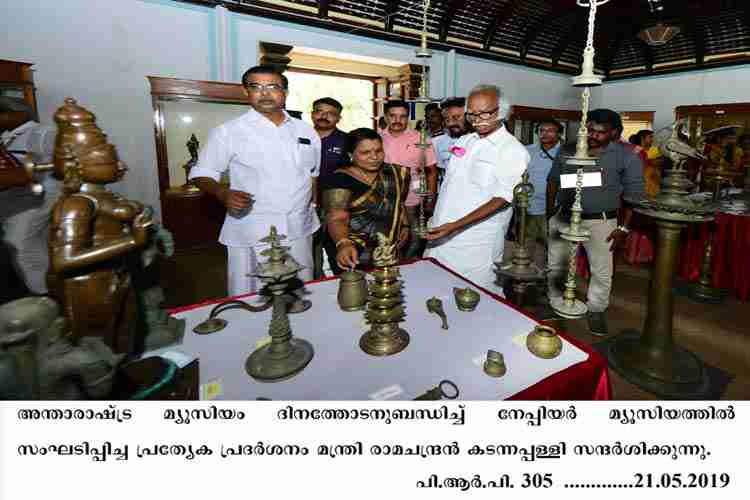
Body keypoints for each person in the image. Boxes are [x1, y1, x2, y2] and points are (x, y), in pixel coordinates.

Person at [190, 65, 321, 296]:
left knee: (300, 290)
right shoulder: (228, 132)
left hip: (298, 226)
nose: (265, 93)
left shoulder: (306, 131)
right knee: (253, 293)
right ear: (246, 92)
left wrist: (312, 206)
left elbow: (313, 175)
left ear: (285, 92)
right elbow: (202, 173)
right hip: (252, 227)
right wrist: (223, 193)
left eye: (272, 86)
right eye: (256, 87)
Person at [545, 109, 645, 335]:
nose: (592, 135)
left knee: (601, 270)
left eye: (600, 132)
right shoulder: (569, 148)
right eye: (589, 129)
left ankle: (596, 309)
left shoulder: (627, 156)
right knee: (556, 264)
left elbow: (634, 196)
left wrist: (623, 228)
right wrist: (550, 213)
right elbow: (552, 181)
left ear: (615, 133)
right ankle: (554, 301)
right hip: (563, 216)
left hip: (601, 222)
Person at [424, 84, 529, 293]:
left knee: (474, 296)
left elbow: (503, 198)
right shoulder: (466, 139)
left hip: (475, 241)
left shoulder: (512, 150)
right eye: (471, 115)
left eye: (485, 113)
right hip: (441, 232)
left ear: (502, 112)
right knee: (435, 289)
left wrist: (456, 225)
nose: (477, 120)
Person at [322, 128, 409, 270]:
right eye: (365, 153)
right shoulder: (339, 179)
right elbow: (337, 217)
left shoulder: (394, 172)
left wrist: (405, 224)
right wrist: (343, 243)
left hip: (387, 247)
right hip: (352, 249)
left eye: (379, 151)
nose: (374, 157)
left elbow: (398, 201)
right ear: (351, 154)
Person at [380, 100, 437, 258]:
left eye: (403, 116)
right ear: (385, 117)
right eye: (393, 116)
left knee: (415, 238)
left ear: (408, 118)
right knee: (387, 239)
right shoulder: (377, 138)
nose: (398, 120)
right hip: (384, 200)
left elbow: (431, 171)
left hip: (412, 198)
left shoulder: (421, 138)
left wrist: (430, 199)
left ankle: (408, 268)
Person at [311, 97, 348, 278]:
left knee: (336, 247)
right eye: (320, 111)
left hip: (335, 205)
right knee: (309, 249)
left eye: (331, 114)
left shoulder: (346, 141)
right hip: (305, 203)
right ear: (312, 114)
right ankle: (315, 281)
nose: (324, 116)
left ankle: (344, 282)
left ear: (338, 118)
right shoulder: (301, 137)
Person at [525, 120, 562, 270]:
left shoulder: (566, 153)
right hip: (528, 208)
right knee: (526, 247)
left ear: (559, 133)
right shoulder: (527, 150)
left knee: (554, 249)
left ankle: (552, 284)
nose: (545, 133)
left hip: (553, 209)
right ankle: (528, 279)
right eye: (541, 130)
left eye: (550, 130)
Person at [431, 97, 469, 187]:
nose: (450, 123)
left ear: (469, 116)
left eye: (456, 118)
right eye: (446, 119)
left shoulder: (481, 142)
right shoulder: (437, 143)